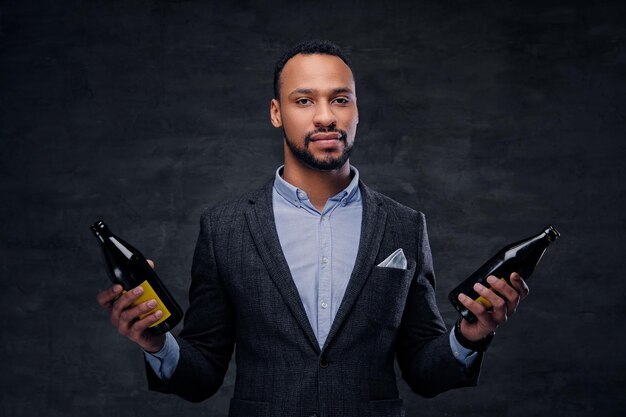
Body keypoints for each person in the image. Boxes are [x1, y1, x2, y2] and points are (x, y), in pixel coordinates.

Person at [97, 40, 529, 417]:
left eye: (340, 99)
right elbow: (203, 374)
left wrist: (468, 338)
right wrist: (157, 344)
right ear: (276, 113)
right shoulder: (225, 227)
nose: (325, 116)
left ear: (357, 110)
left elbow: (423, 370)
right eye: (304, 100)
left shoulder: (404, 225)